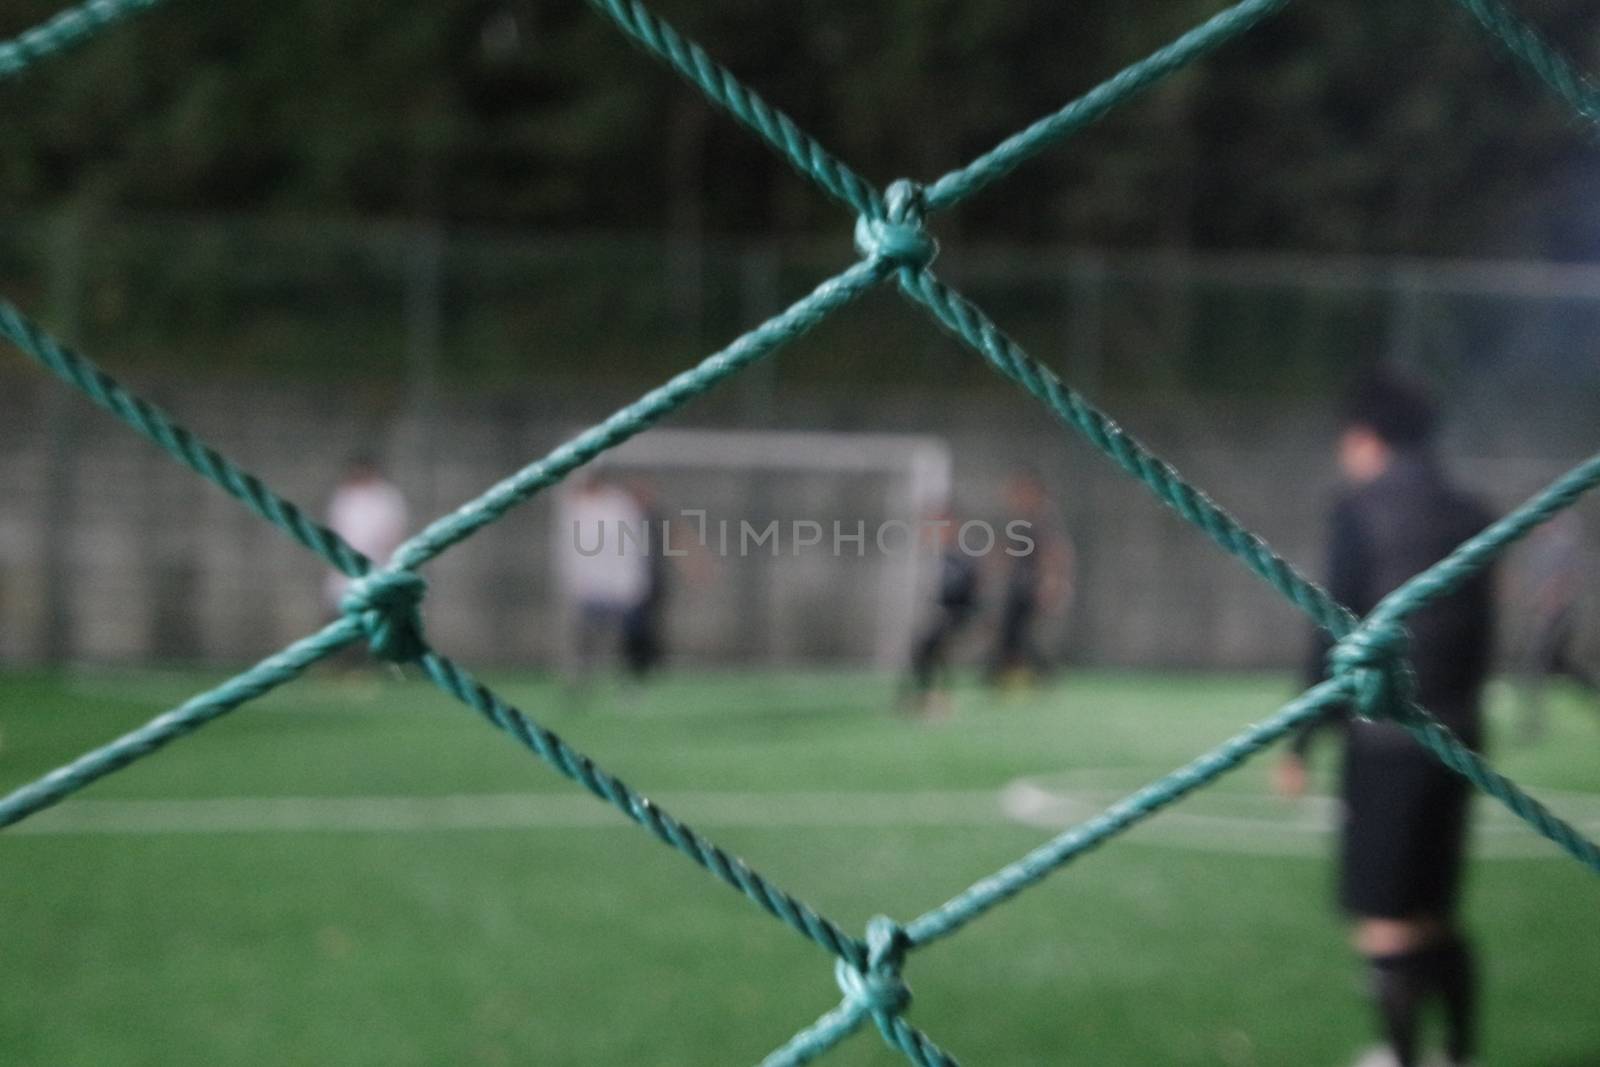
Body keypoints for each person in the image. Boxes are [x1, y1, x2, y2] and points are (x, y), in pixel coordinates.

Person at [1275, 374, 1494, 1067]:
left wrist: (1302, 737)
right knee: (1434, 907)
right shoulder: (1473, 513)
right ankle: (1456, 1052)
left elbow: (1334, 632)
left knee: (1386, 918)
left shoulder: (1360, 509)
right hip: (1457, 734)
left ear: (1365, 438)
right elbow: (1482, 632)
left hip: (1385, 741)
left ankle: (1402, 1058)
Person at [558, 470, 650, 691]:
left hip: (620, 583)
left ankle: (629, 682)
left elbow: (631, 546)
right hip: (590, 585)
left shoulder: (618, 505)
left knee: (628, 637)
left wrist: (634, 580)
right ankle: (580, 681)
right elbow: (571, 551)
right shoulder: (575, 506)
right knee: (586, 637)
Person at [1512, 512, 1596, 739]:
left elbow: (1568, 580)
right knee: (1561, 666)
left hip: (1555, 617)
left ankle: (1530, 724)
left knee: (1534, 666)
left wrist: (1551, 605)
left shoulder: (1563, 548)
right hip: (1542, 614)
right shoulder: (1539, 548)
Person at [986, 469, 1073, 688]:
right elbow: (1003, 552)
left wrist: (1053, 584)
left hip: (1034, 586)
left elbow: (1056, 554)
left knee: (1025, 634)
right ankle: (1007, 676)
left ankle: (1039, 676)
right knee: (1010, 632)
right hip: (1017, 585)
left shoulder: (1044, 522)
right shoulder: (1013, 522)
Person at [904, 508, 981, 716]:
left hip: (959, 615)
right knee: (923, 647)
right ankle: (926, 695)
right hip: (939, 615)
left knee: (934, 645)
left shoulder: (962, 559)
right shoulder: (929, 557)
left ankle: (937, 696)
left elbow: (971, 594)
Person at [323, 454, 410, 613]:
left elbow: (394, 534)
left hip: (378, 570)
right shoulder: (344, 496)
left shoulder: (386, 497)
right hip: (345, 576)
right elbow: (335, 531)